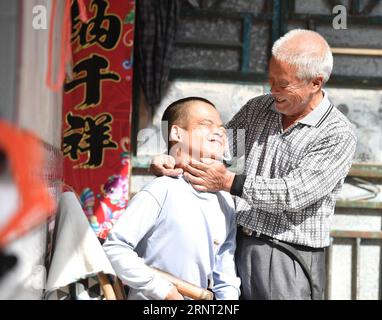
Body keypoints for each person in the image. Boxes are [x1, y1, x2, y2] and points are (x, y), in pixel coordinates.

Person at [151, 29, 357, 300]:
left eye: (283, 84)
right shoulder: (257, 108)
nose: (273, 90)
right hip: (233, 244)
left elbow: (293, 194)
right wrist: (172, 159)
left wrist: (228, 182)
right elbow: (219, 155)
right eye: (270, 80)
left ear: (316, 83)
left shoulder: (336, 133)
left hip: (285, 255)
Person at [103, 97, 241, 300]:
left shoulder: (225, 201)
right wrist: (164, 291)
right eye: (206, 124)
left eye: (222, 127)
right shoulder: (162, 189)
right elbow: (114, 249)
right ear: (176, 133)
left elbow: (225, 274)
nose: (219, 132)